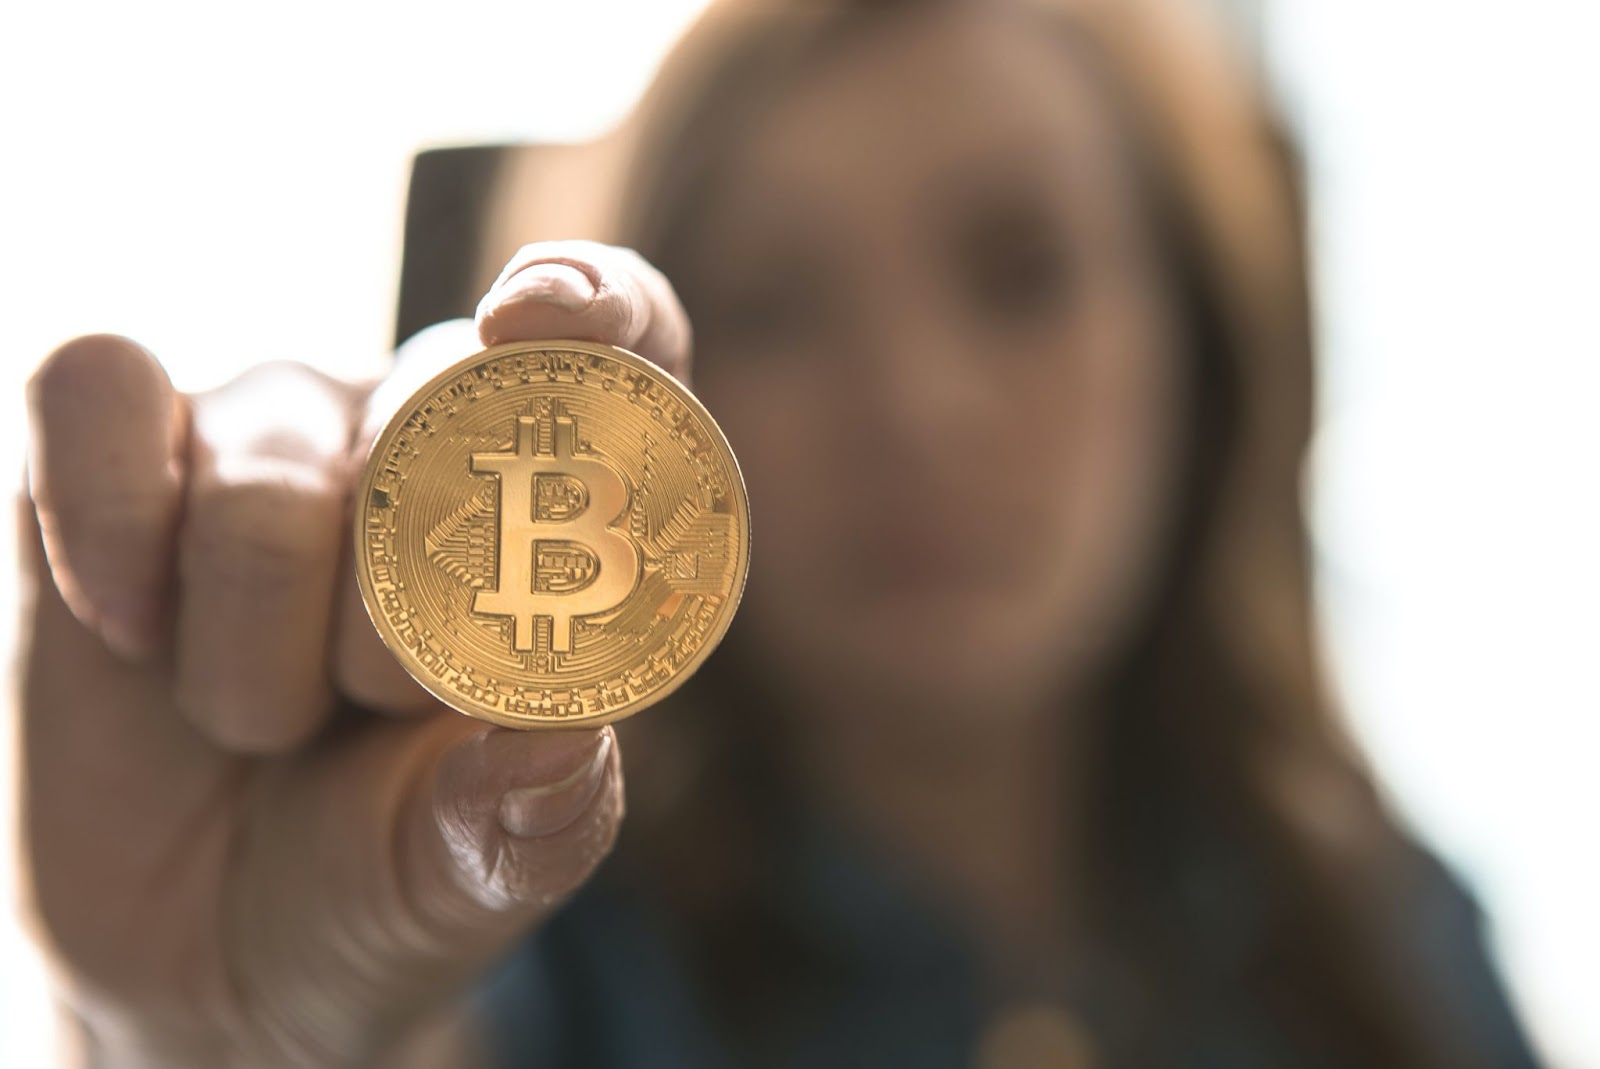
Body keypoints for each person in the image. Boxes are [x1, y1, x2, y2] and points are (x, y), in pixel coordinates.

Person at [16, 0, 1546, 1066]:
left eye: (1018, 268)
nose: (913, 405)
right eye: (771, 306)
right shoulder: (511, 949)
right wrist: (211, 1043)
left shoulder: (1386, 934)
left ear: (1201, 352)